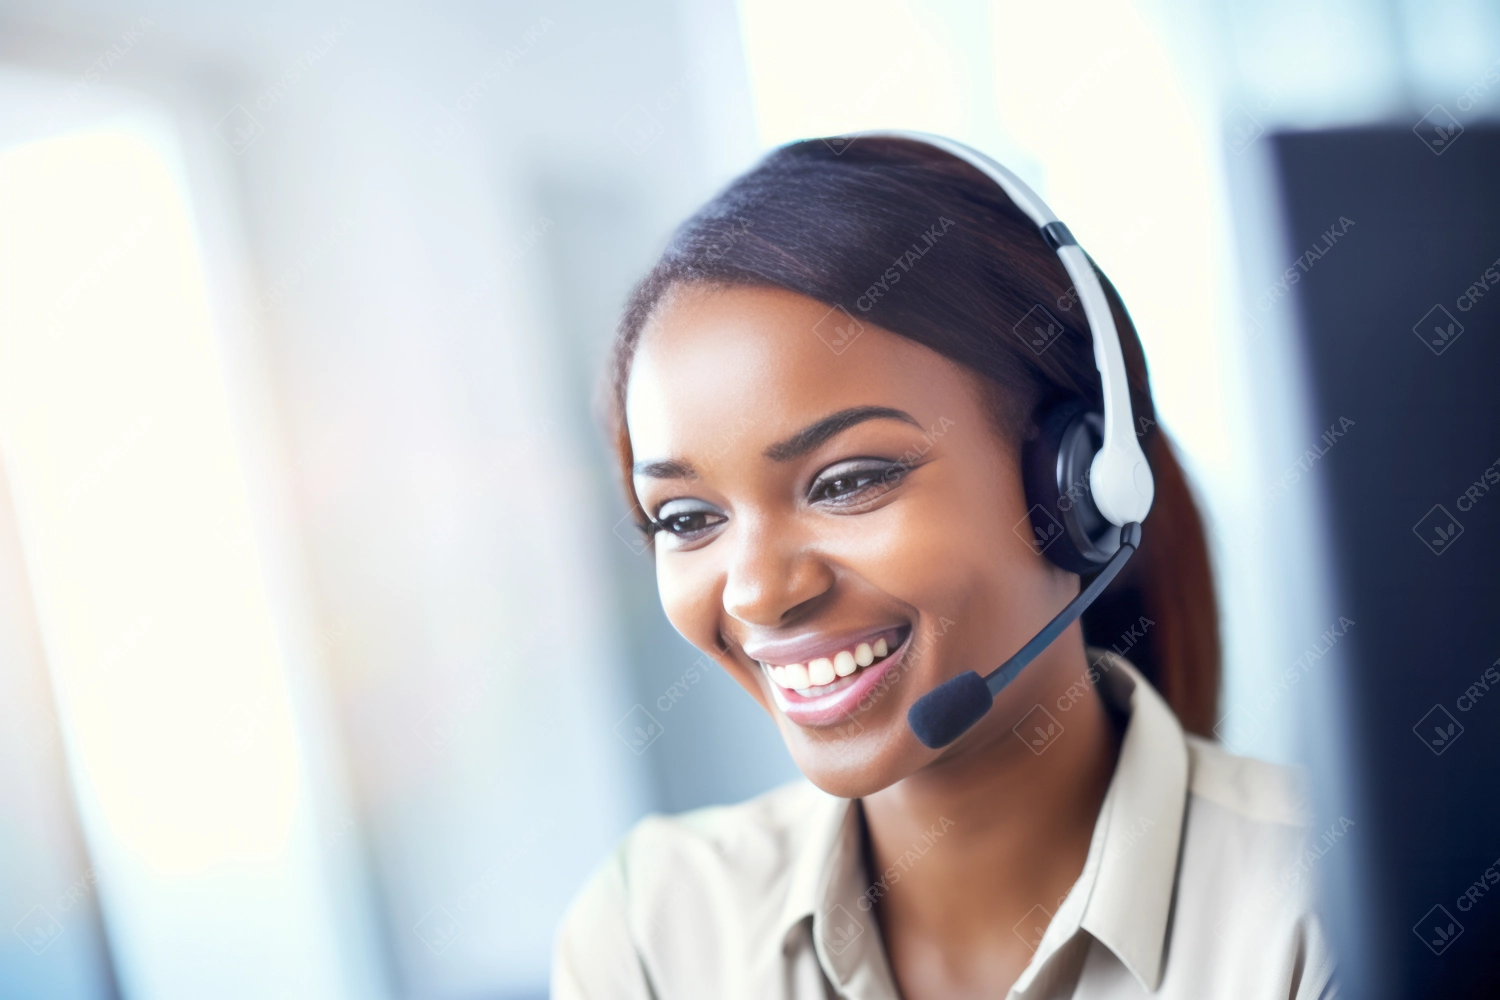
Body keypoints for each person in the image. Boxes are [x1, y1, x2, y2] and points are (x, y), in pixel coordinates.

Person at [552, 136, 1334, 999]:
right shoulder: (652, 934)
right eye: (688, 518)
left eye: (848, 482)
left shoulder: (1322, 906)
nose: (760, 593)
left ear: (1078, 485)